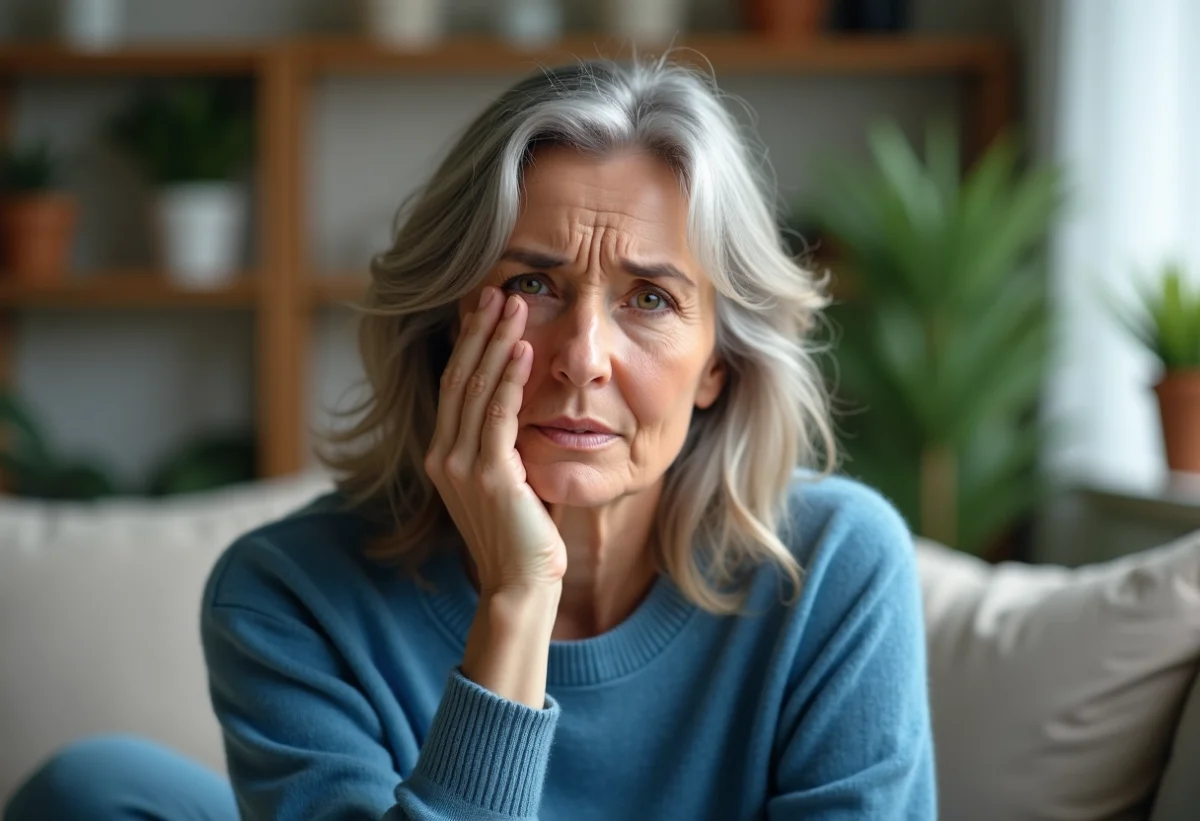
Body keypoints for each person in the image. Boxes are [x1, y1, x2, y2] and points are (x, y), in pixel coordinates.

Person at [4, 56, 935, 821]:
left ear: (718, 365)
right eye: (532, 285)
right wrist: (518, 600)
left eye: (651, 299)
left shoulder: (835, 568)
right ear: (450, 322)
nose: (583, 358)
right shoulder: (286, 594)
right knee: (96, 793)